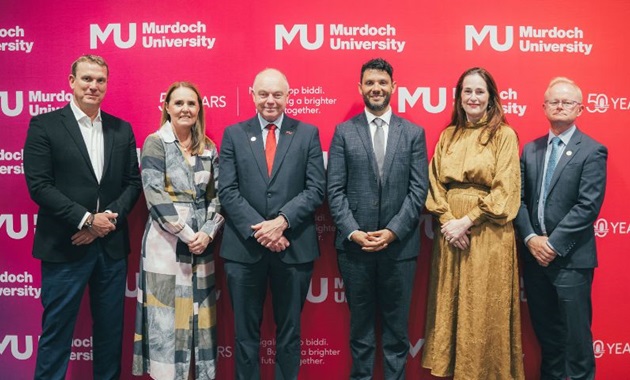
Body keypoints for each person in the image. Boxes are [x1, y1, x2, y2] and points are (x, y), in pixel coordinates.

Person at [23, 54, 141, 379]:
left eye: (100, 80)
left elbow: (133, 184)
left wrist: (103, 224)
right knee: (56, 335)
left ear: (106, 85)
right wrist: (88, 220)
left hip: (111, 249)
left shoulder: (121, 129)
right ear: (71, 82)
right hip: (64, 247)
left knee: (109, 337)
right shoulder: (44, 125)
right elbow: (39, 186)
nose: (93, 86)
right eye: (87, 79)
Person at [218, 68, 325, 380]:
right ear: (252, 95)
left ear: (288, 96)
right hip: (245, 248)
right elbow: (227, 190)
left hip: (293, 247)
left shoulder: (307, 134)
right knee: (245, 335)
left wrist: (282, 222)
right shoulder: (234, 135)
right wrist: (263, 230)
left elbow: (315, 188)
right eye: (263, 93)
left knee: (290, 333)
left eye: (277, 94)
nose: (270, 100)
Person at [327, 58, 429, 379]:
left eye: (382, 83)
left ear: (393, 88)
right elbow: (334, 191)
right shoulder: (344, 132)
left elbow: (418, 191)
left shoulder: (413, 133)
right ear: (360, 88)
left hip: (399, 250)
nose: (376, 88)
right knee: (361, 332)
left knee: (398, 333)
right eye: (370, 83)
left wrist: (393, 232)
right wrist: (354, 232)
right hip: (355, 249)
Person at [421, 67, 525, 379]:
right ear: (459, 97)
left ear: (491, 97)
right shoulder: (448, 135)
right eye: (467, 91)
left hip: (488, 234)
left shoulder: (504, 135)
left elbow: (506, 190)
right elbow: (434, 184)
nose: (473, 97)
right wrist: (448, 222)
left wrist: (467, 221)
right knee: (454, 306)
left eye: (480, 91)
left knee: (482, 308)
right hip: (450, 234)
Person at [514, 77, 607, 380]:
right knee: (548, 340)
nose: (560, 106)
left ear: (580, 108)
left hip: (570, 260)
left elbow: (587, 206)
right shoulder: (530, 150)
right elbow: (520, 200)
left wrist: (551, 245)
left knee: (576, 341)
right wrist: (530, 239)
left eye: (567, 102)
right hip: (534, 260)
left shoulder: (593, 151)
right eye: (554, 101)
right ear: (543, 107)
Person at [132, 82, 224, 379]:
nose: (186, 109)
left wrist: (208, 232)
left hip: (202, 245)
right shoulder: (155, 142)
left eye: (192, 103)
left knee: (202, 319)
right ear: (167, 108)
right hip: (165, 245)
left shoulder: (208, 147)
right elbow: (154, 195)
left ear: (199, 109)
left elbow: (218, 196)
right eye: (179, 103)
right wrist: (187, 234)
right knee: (166, 321)